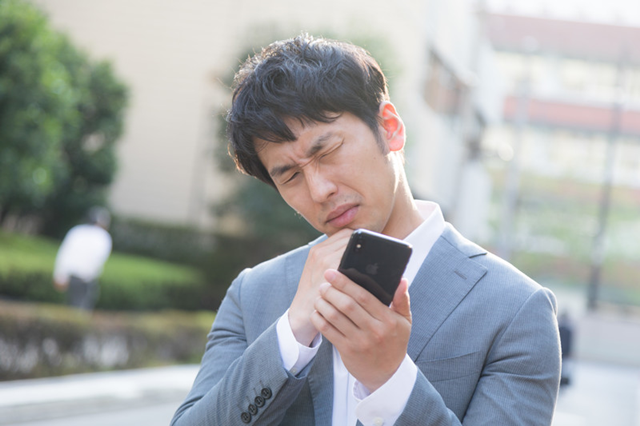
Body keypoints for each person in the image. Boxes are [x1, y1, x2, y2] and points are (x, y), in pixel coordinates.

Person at [172, 34, 561, 426]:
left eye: (327, 152)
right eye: (290, 176)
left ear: (389, 127)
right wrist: (292, 333)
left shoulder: (515, 310)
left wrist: (391, 381)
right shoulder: (254, 293)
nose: (319, 190)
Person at [53, 206, 112, 311]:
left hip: (71, 276)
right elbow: (98, 260)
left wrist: (60, 275)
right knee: (82, 310)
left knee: (69, 307)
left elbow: (64, 254)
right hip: (86, 279)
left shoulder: (76, 231)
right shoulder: (103, 236)